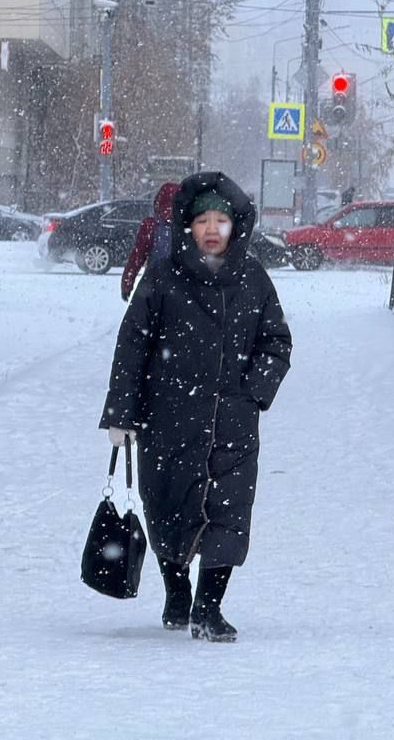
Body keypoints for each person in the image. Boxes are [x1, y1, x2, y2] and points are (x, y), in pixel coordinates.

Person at [100, 172, 292, 643]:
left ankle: (209, 607)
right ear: (187, 225)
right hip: (169, 417)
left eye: (220, 220)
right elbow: (133, 346)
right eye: (203, 219)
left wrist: (253, 391)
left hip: (233, 421)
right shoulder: (163, 276)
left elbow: (276, 342)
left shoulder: (253, 279)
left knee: (229, 511)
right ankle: (177, 590)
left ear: (234, 226)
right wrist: (121, 414)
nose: (212, 228)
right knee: (168, 506)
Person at [120, 181, 180, 301]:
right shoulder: (189, 228)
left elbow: (136, 257)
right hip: (181, 289)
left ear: (158, 202)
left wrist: (127, 284)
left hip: (153, 285)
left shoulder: (150, 227)